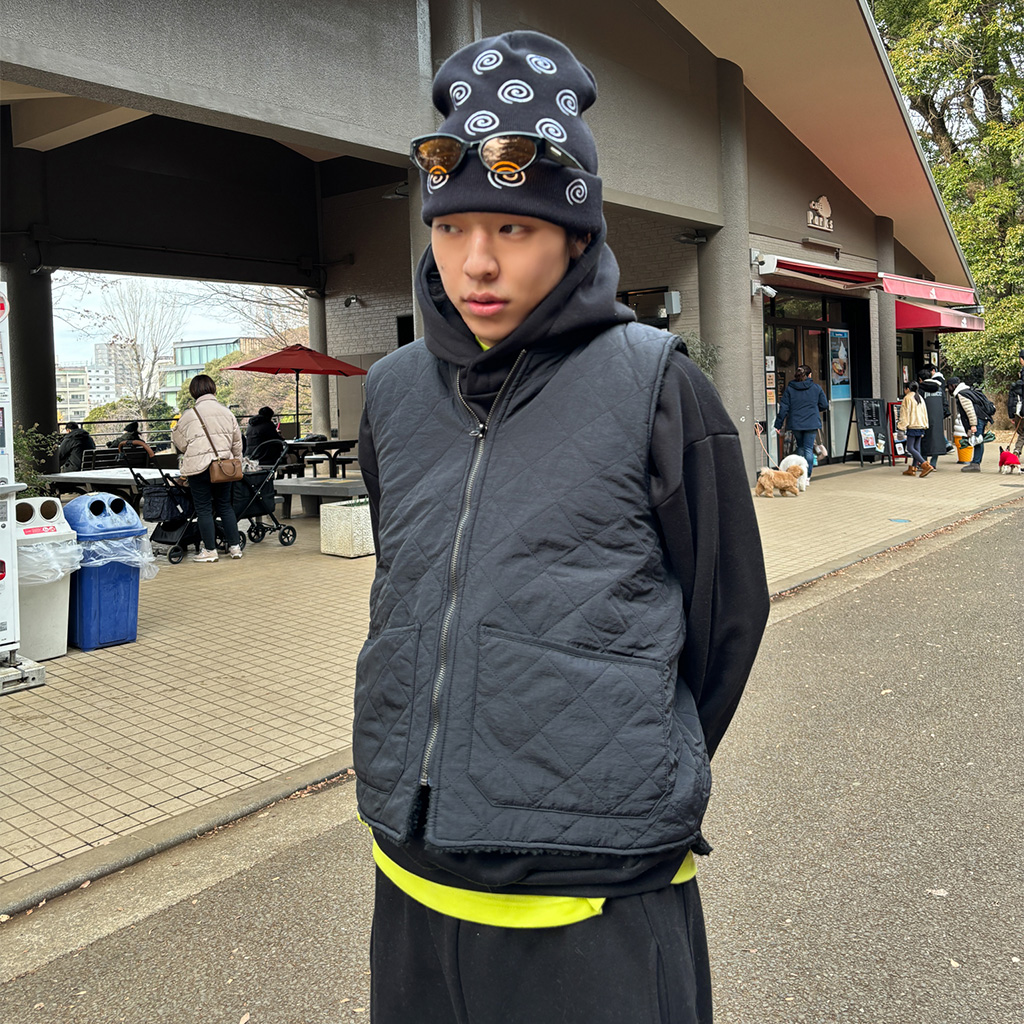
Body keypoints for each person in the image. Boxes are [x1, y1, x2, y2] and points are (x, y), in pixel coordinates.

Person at [356, 31, 770, 1024]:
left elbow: (724, 620)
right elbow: (403, 574)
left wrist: (627, 747)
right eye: (453, 228)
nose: (477, 261)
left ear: (576, 237)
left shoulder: (656, 384)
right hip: (412, 863)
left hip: (597, 882)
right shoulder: (391, 391)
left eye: (514, 227)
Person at [171, 374, 243, 562]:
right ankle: (235, 547)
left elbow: (180, 443)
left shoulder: (189, 415)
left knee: (203, 509)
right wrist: (237, 462)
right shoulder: (227, 412)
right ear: (213, 389)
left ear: (193, 392)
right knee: (225, 506)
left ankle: (210, 550)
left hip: (199, 468)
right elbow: (237, 443)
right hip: (223, 467)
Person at [773, 363, 829, 481]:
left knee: (800, 447)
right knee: (808, 449)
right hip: (811, 422)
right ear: (809, 375)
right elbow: (824, 405)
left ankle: (800, 475)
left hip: (796, 423)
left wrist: (778, 425)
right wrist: (814, 410)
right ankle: (807, 477)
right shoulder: (816, 388)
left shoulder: (790, 389)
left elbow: (784, 408)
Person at [947, 376, 988, 472]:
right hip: (981, 417)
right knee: (978, 440)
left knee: (978, 441)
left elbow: (970, 410)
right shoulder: (967, 391)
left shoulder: (962, 394)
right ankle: (975, 463)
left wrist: (973, 425)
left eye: (949, 387)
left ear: (952, 386)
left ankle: (975, 464)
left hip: (977, 419)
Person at [916, 367, 948, 470]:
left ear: (920, 379)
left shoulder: (920, 390)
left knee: (923, 441)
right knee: (936, 440)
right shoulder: (939, 389)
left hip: (923, 419)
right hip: (937, 419)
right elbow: (945, 405)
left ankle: (924, 463)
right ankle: (933, 464)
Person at [897, 381, 930, 476]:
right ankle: (913, 468)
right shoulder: (920, 398)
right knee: (916, 447)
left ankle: (925, 465)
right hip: (921, 425)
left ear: (908, 389)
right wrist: (925, 425)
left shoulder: (907, 398)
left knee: (910, 447)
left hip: (912, 425)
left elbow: (904, 415)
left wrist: (901, 428)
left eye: (905, 389)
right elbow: (925, 413)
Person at [1009, 350, 1024, 458]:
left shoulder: (1016, 386)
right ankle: (1017, 450)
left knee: (1022, 433)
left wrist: (1011, 415)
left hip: (1019, 412)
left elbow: (1011, 402)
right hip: (1020, 411)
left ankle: (1017, 450)